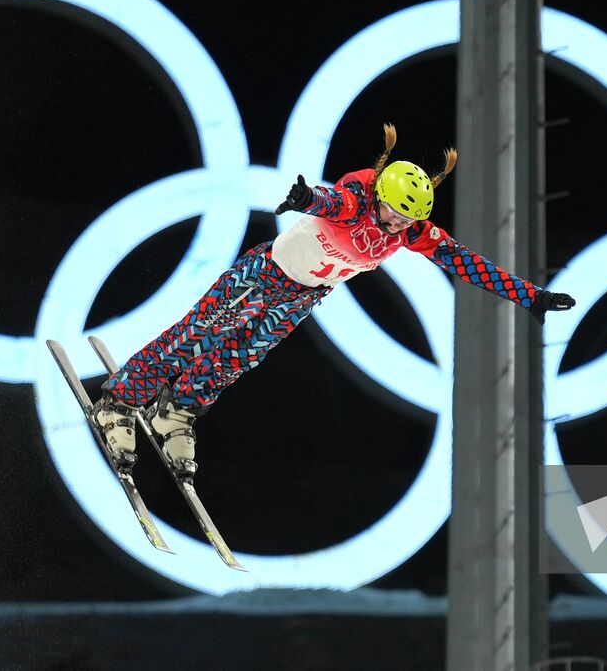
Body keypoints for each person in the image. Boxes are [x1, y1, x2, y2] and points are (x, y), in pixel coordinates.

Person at [93, 124, 577, 476]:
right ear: (381, 195)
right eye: (391, 215)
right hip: (263, 276)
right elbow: (334, 202)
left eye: (406, 224)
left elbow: (467, 263)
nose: (394, 227)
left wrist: (529, 295)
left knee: (236, 359)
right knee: (196, 337)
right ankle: (120, 401)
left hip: (301, 298)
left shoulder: (410, 231)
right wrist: (308, 201)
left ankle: (175, 411)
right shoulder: (360, 194)